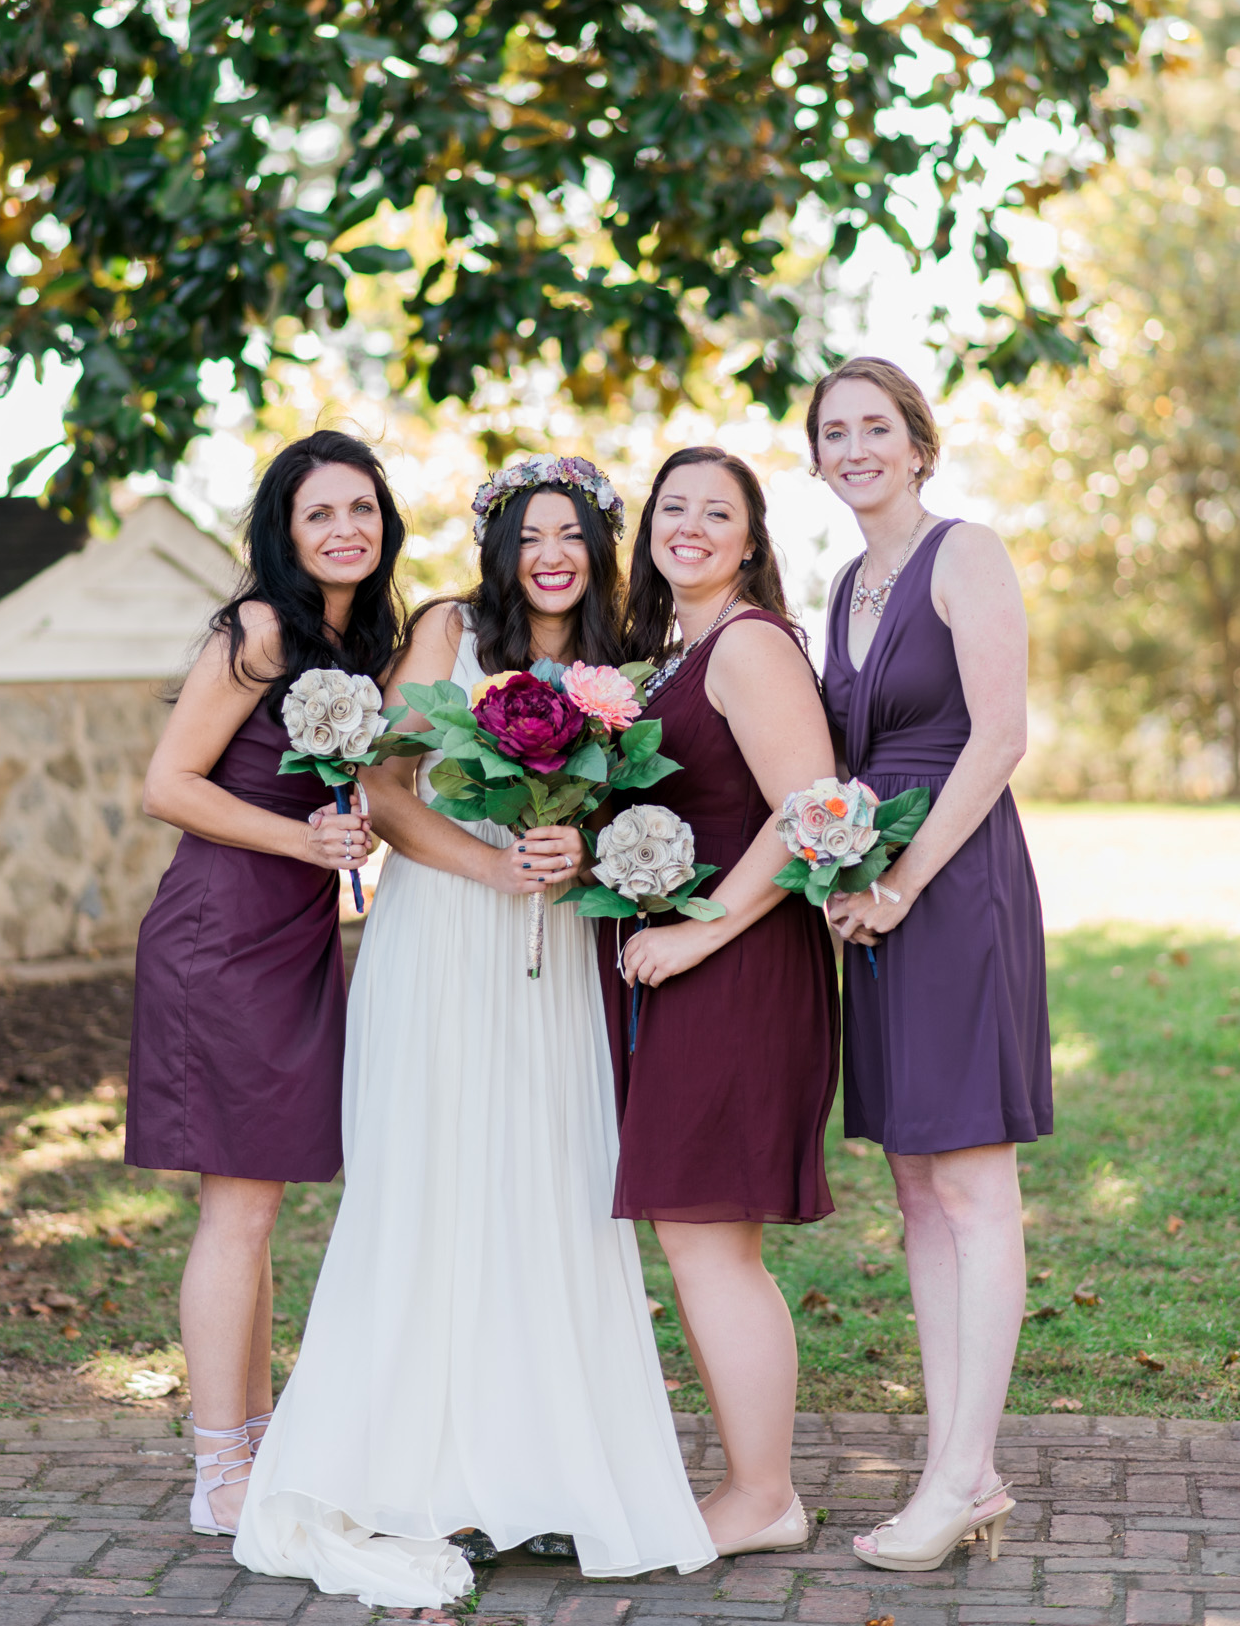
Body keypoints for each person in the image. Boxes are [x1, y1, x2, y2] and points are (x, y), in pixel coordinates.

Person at [234, 454, 713, 1608]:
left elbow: (627, 813)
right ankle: (411, 1468)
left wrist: (575, 850)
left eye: (572, 535)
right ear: (500, 547)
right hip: (443, 937)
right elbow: (385, 787)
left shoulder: (622, 668)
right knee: (429, 1181)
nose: (550, 554)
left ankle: (542, 1473)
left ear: (598, 551)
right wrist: (495, 864)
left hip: (554, 961)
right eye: (529, 534)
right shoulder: (449, 627)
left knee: (544, 1188)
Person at [126, 430, 402, 1538]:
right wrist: (305, 844)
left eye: (361, 510)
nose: (344, 529)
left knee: (257, 1204)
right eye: (318, 512)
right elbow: (168, 783)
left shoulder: (362, 640)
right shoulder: (258, 628)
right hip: (219, 934)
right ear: (283, 532)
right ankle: (216, 1464)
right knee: (235, 1211)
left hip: (293, 939)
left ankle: (250, 1431)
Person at [809, 356, 1051, 1574]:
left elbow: (998, 734)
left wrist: (902, 881)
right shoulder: (841, 583)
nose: (853, 447)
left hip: (952, 891)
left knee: (972, 1182)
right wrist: (845, 875)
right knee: (914, 1185)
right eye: (831, 432)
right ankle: (960, 1463)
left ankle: (959, 1470)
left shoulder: (967, 553)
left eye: (873, 427)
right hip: (875, 902)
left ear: (915, 442)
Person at [601, 446, 840, 1559]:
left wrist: (699, 930)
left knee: (709, 1239)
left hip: (740, 965)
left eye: (717, 512)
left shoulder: (747, 644)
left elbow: (810, 810)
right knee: (693, 1234)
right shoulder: (668, 658)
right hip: (694, 965)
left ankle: (762, 1493)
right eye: (672, 508)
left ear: (751, 540)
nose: (688, 525)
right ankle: (746, 1480)